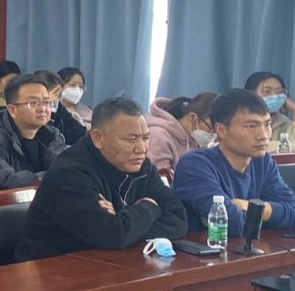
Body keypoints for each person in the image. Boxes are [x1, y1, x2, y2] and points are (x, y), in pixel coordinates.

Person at [16, 98, 187, 262]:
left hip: (111, 263)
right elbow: (114, 235)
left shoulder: (141, 165)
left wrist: (125, 224)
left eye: (145, 138)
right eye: (131, 139)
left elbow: (179, 219)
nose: (141, 149)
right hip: (50, 270)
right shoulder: (70, 173)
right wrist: (149, 206)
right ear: (98, 138)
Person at [172, 89, 295, 234]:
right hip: (205, 248)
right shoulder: (195, 165)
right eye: (251, 126)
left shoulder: (262, 161)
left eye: (267, 124)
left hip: (251, 247)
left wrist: (248, 206)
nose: (263, 135)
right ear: (221, 131)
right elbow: (231, 223)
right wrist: (271, 214)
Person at [0, 74, 68, 189]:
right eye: (33, 103)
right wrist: (52, 177)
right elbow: (5, 181)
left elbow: (67, 167)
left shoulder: (52, 134)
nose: (42, 109)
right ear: (13, 110)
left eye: (46, 102)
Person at [146, 93, 217, 171]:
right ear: (193, 118)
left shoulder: (194, 138)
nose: (214, 134)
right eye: (211, 128)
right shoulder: (159, 136)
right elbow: (159, 176)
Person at [245, 72, 295, 152]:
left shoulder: (282, 121)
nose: (274, 96)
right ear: (251, 95)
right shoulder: (244, 121)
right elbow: (260, 147)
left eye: (279, 92)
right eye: (267, 91)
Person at [34, 70, 87, 144]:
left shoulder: (59, 107)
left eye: (59, 94)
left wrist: (60, 137)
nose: (55, 99)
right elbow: (45, 137)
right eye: (54, 93)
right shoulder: (31, 109)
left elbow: (80, 130)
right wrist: (49, 109)